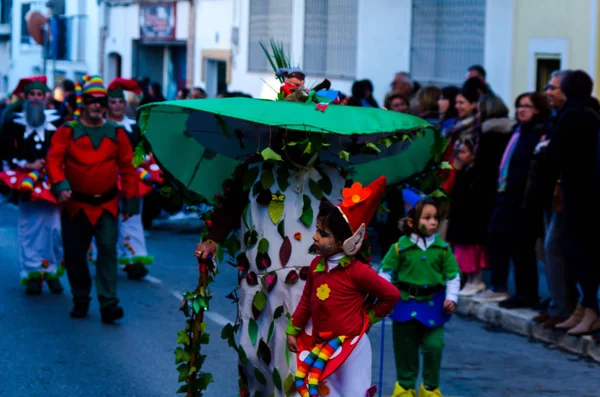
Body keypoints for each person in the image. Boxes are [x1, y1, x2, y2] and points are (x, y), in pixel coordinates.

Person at [286, 177, 400, 397]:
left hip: (352, 348)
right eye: (317, 230)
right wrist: (294, 329)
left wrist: (367, 318)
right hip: (321, 346)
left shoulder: (358, 271)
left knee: (353, 393)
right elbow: (306, 301)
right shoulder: (316, 266)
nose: (315, 237)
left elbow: (391, 295)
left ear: (346, 241)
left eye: (323, 233)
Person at [46, 75, 139, 323]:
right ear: (83, 103)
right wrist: (60, 185)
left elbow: (129, 168)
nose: (98, 105)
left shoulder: (117, 133)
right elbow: (53, 160)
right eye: (92, 101)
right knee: (75, 254)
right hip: (76, 205)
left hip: (107, 205)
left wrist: (131, 200)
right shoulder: (68, 131)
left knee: (108, 253)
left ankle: (109, 303)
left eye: (102, 101)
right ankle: (80, 298)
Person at [379, 198, 460, 397]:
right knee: (405, 351)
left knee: (434, 346)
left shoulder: (442, 249)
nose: (433, 222)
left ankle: (431, 389)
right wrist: (384, 292)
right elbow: (385, 272)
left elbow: (453, 275)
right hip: (404, 306)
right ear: (411, 222)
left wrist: (452, 298)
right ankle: (405, 388)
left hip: (434, 307)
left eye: (436, 218)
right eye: (427, 218)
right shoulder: (400, 248)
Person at [476, 92, 550, 307]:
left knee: (522, 248)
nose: (522, 109)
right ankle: (516, 291)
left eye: (527, 106)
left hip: (524, 200)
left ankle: (527, 294)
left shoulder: (537, 132)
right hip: (507, 193)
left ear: (537, 109)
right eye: (519, 105)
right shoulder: (519, 130)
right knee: (502, 239)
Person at [546, 70, 600, 335]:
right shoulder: (593, 112)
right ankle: (583, 306)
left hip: (577, 193)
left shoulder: (571, 116)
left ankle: (590, 308)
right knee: (582, 250)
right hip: (590, 192)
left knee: (577, 250)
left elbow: (555, 155)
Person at [0, 79, 64, 294]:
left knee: (54, 229)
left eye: (40, 94)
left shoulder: (59, 122)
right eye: (32, 94)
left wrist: (51, 166)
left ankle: (52, 271)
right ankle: (33, 274)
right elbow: (5, 153)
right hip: (26, 184)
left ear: (46, 97)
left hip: (51, 181)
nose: (36, 98)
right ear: (26, 98)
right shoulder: (12, 124)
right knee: (30, 229)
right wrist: (27, 164)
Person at [526, 70, 578, 329]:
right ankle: (558, 304)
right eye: (547, 86)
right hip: (549, 194)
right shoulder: (555, 118)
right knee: (547, 251)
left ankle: (565, 306)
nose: (548, 92)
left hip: (563, 195)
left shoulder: (573, 117)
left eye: (554, 88)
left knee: (553, 248)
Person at [106, 78, 155, 280]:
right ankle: (113, 258)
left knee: (133, 219)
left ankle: (134, 260)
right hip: (108, 180)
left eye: (120, 102)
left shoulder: (134, 127)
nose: (117, 106)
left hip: (132, 180)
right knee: (109, 221)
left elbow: (145, 150)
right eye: (113, 102)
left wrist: (141, 160)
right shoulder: (103, 127)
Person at [446, 136, 489, 296]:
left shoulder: (477, 175)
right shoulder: (463, 172)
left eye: (463, 152)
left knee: (473, 252)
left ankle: (476, 280)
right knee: (463, 252)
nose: (459, 155)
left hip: (471, 221)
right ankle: (470, 280)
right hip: (461, 219)